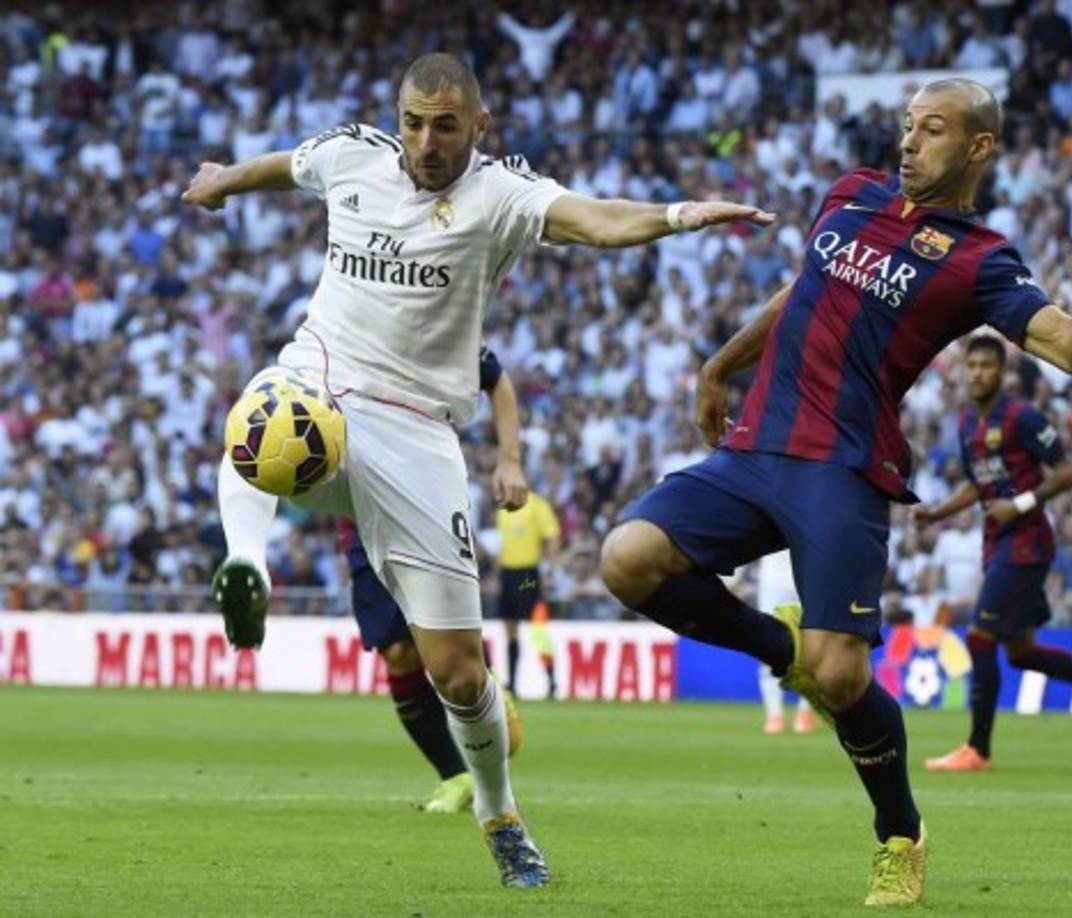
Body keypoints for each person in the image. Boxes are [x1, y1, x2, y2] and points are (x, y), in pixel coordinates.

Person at [182, 52, 771, 889]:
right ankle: (246, 562)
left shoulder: (501, 196)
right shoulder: (354, 154)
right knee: (262, 417)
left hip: (417, 434)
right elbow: (286, 166)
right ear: (397, 119)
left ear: (478, 125)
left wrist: (680, 214)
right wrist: (223, 179)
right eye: (413, 123)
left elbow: (596, 221)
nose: (425, 141)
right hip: (325, 379)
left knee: (457, 671)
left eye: (445, 125)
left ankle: (500, 816)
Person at [599, 78, 1072, 906]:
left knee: (842, 680)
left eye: (933, 130)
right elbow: (803, 289)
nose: (909, 142)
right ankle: (782, 653)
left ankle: (900, 836)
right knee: (625, 560)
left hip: (843, 468)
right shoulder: (848, 195)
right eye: (907, 127)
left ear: (977, 148)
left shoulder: (982, 259)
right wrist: (717, 365)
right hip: (754, 447)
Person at [917, 334, 1072, 774]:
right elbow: (977, 485)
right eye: (972, 366)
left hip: (1027, 542)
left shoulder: (1023, 418)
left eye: (987, 365)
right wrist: (938, 514)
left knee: (979, 637)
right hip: (996, 542)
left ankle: (977, 750)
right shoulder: (967, 424)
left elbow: (1069, 472)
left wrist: (1020, 503)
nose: (978, 373)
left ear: (1001, 372)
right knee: (1021, 652)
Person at [342, 345, 525, 815]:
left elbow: (498, 383)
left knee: (442, 651)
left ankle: (477, 679)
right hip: (359, 504)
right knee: (398, 652)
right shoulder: (339, 322)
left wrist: (510, 460)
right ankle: (456, 777)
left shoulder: (437, 312)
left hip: (427, 490)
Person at [494, 483, 561, 697]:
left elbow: (552, 535)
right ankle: (512, 683)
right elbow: (503, 543)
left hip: (527, 576)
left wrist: (550, 567)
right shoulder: (503, 508)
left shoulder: (537, 505)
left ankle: (551, 681)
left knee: (537, 628)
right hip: (507, 574)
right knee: (509, 628)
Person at [756, 550, 816, 734]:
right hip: (773, 582)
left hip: (809, 576)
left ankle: (805, 711)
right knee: (767, 647)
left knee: (813, 648)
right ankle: (775, 714)